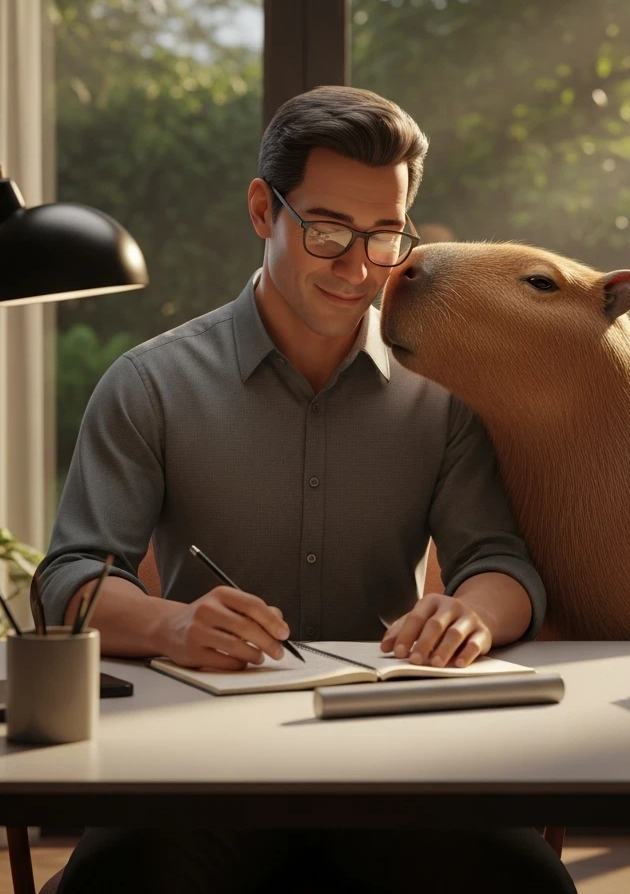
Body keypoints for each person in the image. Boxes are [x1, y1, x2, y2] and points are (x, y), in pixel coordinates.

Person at [36, 85, 576, 894]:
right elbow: (70, 582)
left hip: (398, 769)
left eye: (384, 236)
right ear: (264, 210)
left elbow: (502, 564)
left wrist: (472, 612)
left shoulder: (445, 397)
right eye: (326, 232)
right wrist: (173, 623)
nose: (358, 268)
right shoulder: (150, 385)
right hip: (196, 772)